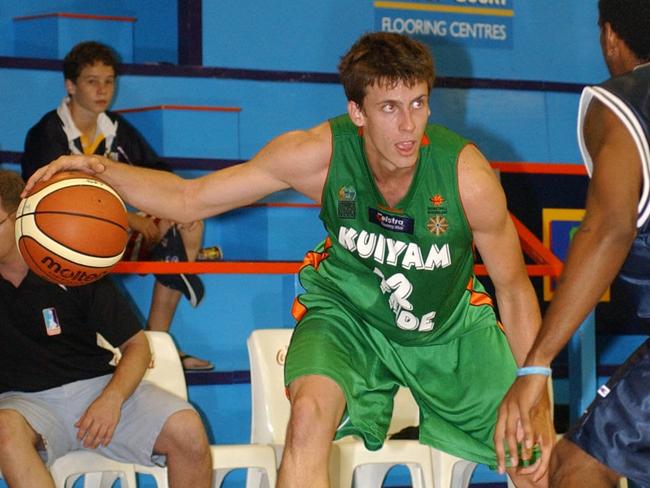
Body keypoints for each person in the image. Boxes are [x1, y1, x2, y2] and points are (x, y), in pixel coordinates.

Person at [26, 32, 553, 487]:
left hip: (447, 328)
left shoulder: (466, 177)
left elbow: (512, 290)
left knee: (532, 455)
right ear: (357, 113)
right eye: (390, 108)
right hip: (349, 318)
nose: (408, 125)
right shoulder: (315, 155)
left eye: (418, 103)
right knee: (307, 417)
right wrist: (100, 170)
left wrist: (535, 391)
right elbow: (192, 199)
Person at [494, 1, 650, 486]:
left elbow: (609, 227)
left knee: (579, 464)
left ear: (610, 37)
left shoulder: (623, 104)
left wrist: (536, 364)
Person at [0, 170, 212, 488]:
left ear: (19, 217)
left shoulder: (71, 262)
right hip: (23, 403)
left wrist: (111, 399)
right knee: (4, 430)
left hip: (96, 387)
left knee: (187, 429)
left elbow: (136, 346)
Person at [21, 41, 213, 371]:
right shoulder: (46, 133)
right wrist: (129, 218)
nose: (103, 89)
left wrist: (159, 213)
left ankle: (157, 343)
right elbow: (44, 200)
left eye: (109, 81)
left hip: (113, 234)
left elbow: (160, 175)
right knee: (88, 235)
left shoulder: (117, 130)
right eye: (92, 81)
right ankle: (103, 341)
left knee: (187, 220)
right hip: (59, 240)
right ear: (70, 85)